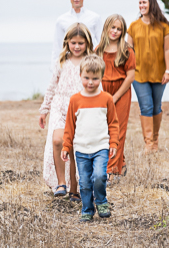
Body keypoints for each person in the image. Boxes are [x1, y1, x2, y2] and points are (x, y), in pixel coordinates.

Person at [61, 55, 119, 222]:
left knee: (100, 176)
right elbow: (69, 126)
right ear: (80, 75)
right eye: (86, 78)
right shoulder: (75, 100)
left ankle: (101, 201)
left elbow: (113, 123)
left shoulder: (107, 99)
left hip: (101, 147)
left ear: (101, 77)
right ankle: (87, 209)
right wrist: (66, 146)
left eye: (95, 78)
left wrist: (113, 143)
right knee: (85, 182)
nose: (90, 82)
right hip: (81, 149)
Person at [39, 23, 93, 199]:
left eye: (81, 43)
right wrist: (44, 110)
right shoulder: (61, 62)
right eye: (73, 43)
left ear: (87, 43)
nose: (77, 47)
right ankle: (60, 183)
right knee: (57, 141)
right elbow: (51, 87)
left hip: (80, 108)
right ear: (67, 42)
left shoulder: (90, 62)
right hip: (60, 106)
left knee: (75, 148)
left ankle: (74, 189)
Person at [126, 0, 169, 153]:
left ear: (151, 4)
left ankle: (155, 140)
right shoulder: (133, 26)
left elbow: (167, 50)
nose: (141, 6)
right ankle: (148, 144)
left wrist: (168, 71)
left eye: (144, 2)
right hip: (138, 74)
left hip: (159, 74)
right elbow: (129, 51)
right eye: (139, 3)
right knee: (146, 106)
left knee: (156, 107)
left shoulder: (164, 27)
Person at [95, 14, 136, 181]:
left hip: (121, 91)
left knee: (117, 131)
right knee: (105, 130)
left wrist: (116, 96)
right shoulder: (98, 49)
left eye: (119, 29)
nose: (115, 31)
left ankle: (111, 171)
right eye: (113, 27)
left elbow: (130, 76)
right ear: (106, 28)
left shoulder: (127, 50)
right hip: (103, 91)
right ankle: (121, 163)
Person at [51, 0, 102, 67]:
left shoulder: (95, 18)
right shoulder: (61, 20)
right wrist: (54, 69)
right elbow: (57, 47)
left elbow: (101, 43)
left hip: (91, 63)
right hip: (69, 64)